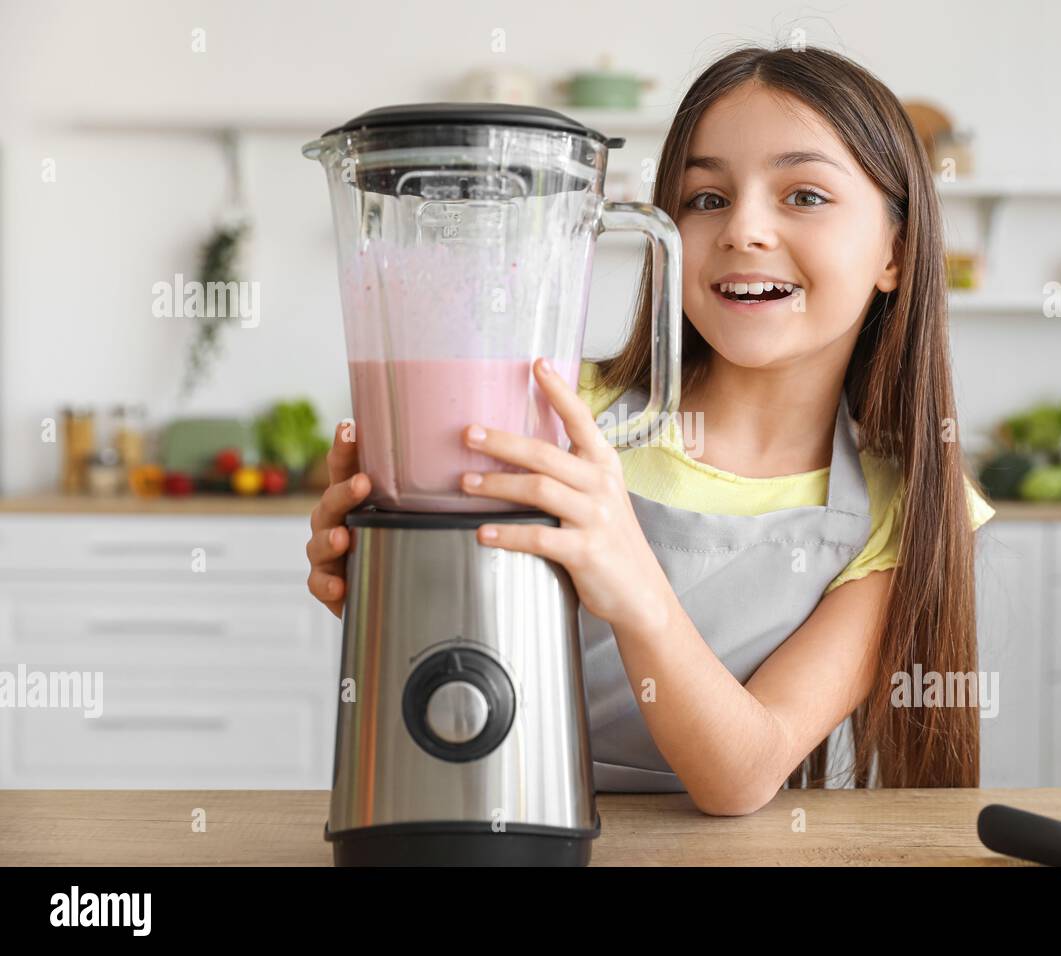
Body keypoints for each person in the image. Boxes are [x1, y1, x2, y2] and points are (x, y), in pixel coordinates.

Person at [306, 45, 995, 815]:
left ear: (896, 252)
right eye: (706, 198)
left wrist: (634, 582)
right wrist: (394, 582)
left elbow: (740, 775)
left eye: (803, 195)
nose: (744, 229)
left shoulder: (909, 503)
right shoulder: (555, 406)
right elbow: (456, 636)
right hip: (488, 813)